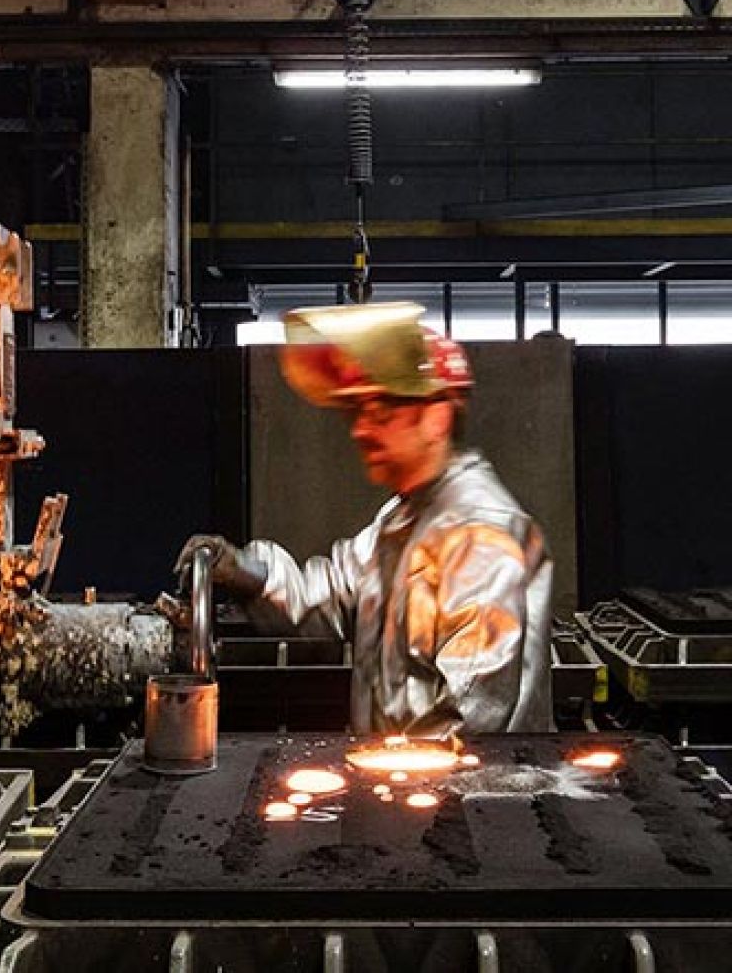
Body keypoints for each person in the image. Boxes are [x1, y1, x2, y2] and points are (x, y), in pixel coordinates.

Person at [178, 302, 554, 737]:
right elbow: (328, 597)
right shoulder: (404, 518)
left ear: (436, 417)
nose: (360, 430)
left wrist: (384, 770)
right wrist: (244, 571)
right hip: (406, 770)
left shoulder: (478, 533)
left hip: (470, 780)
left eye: (380, 413)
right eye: (356, 414)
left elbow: (471, 713)